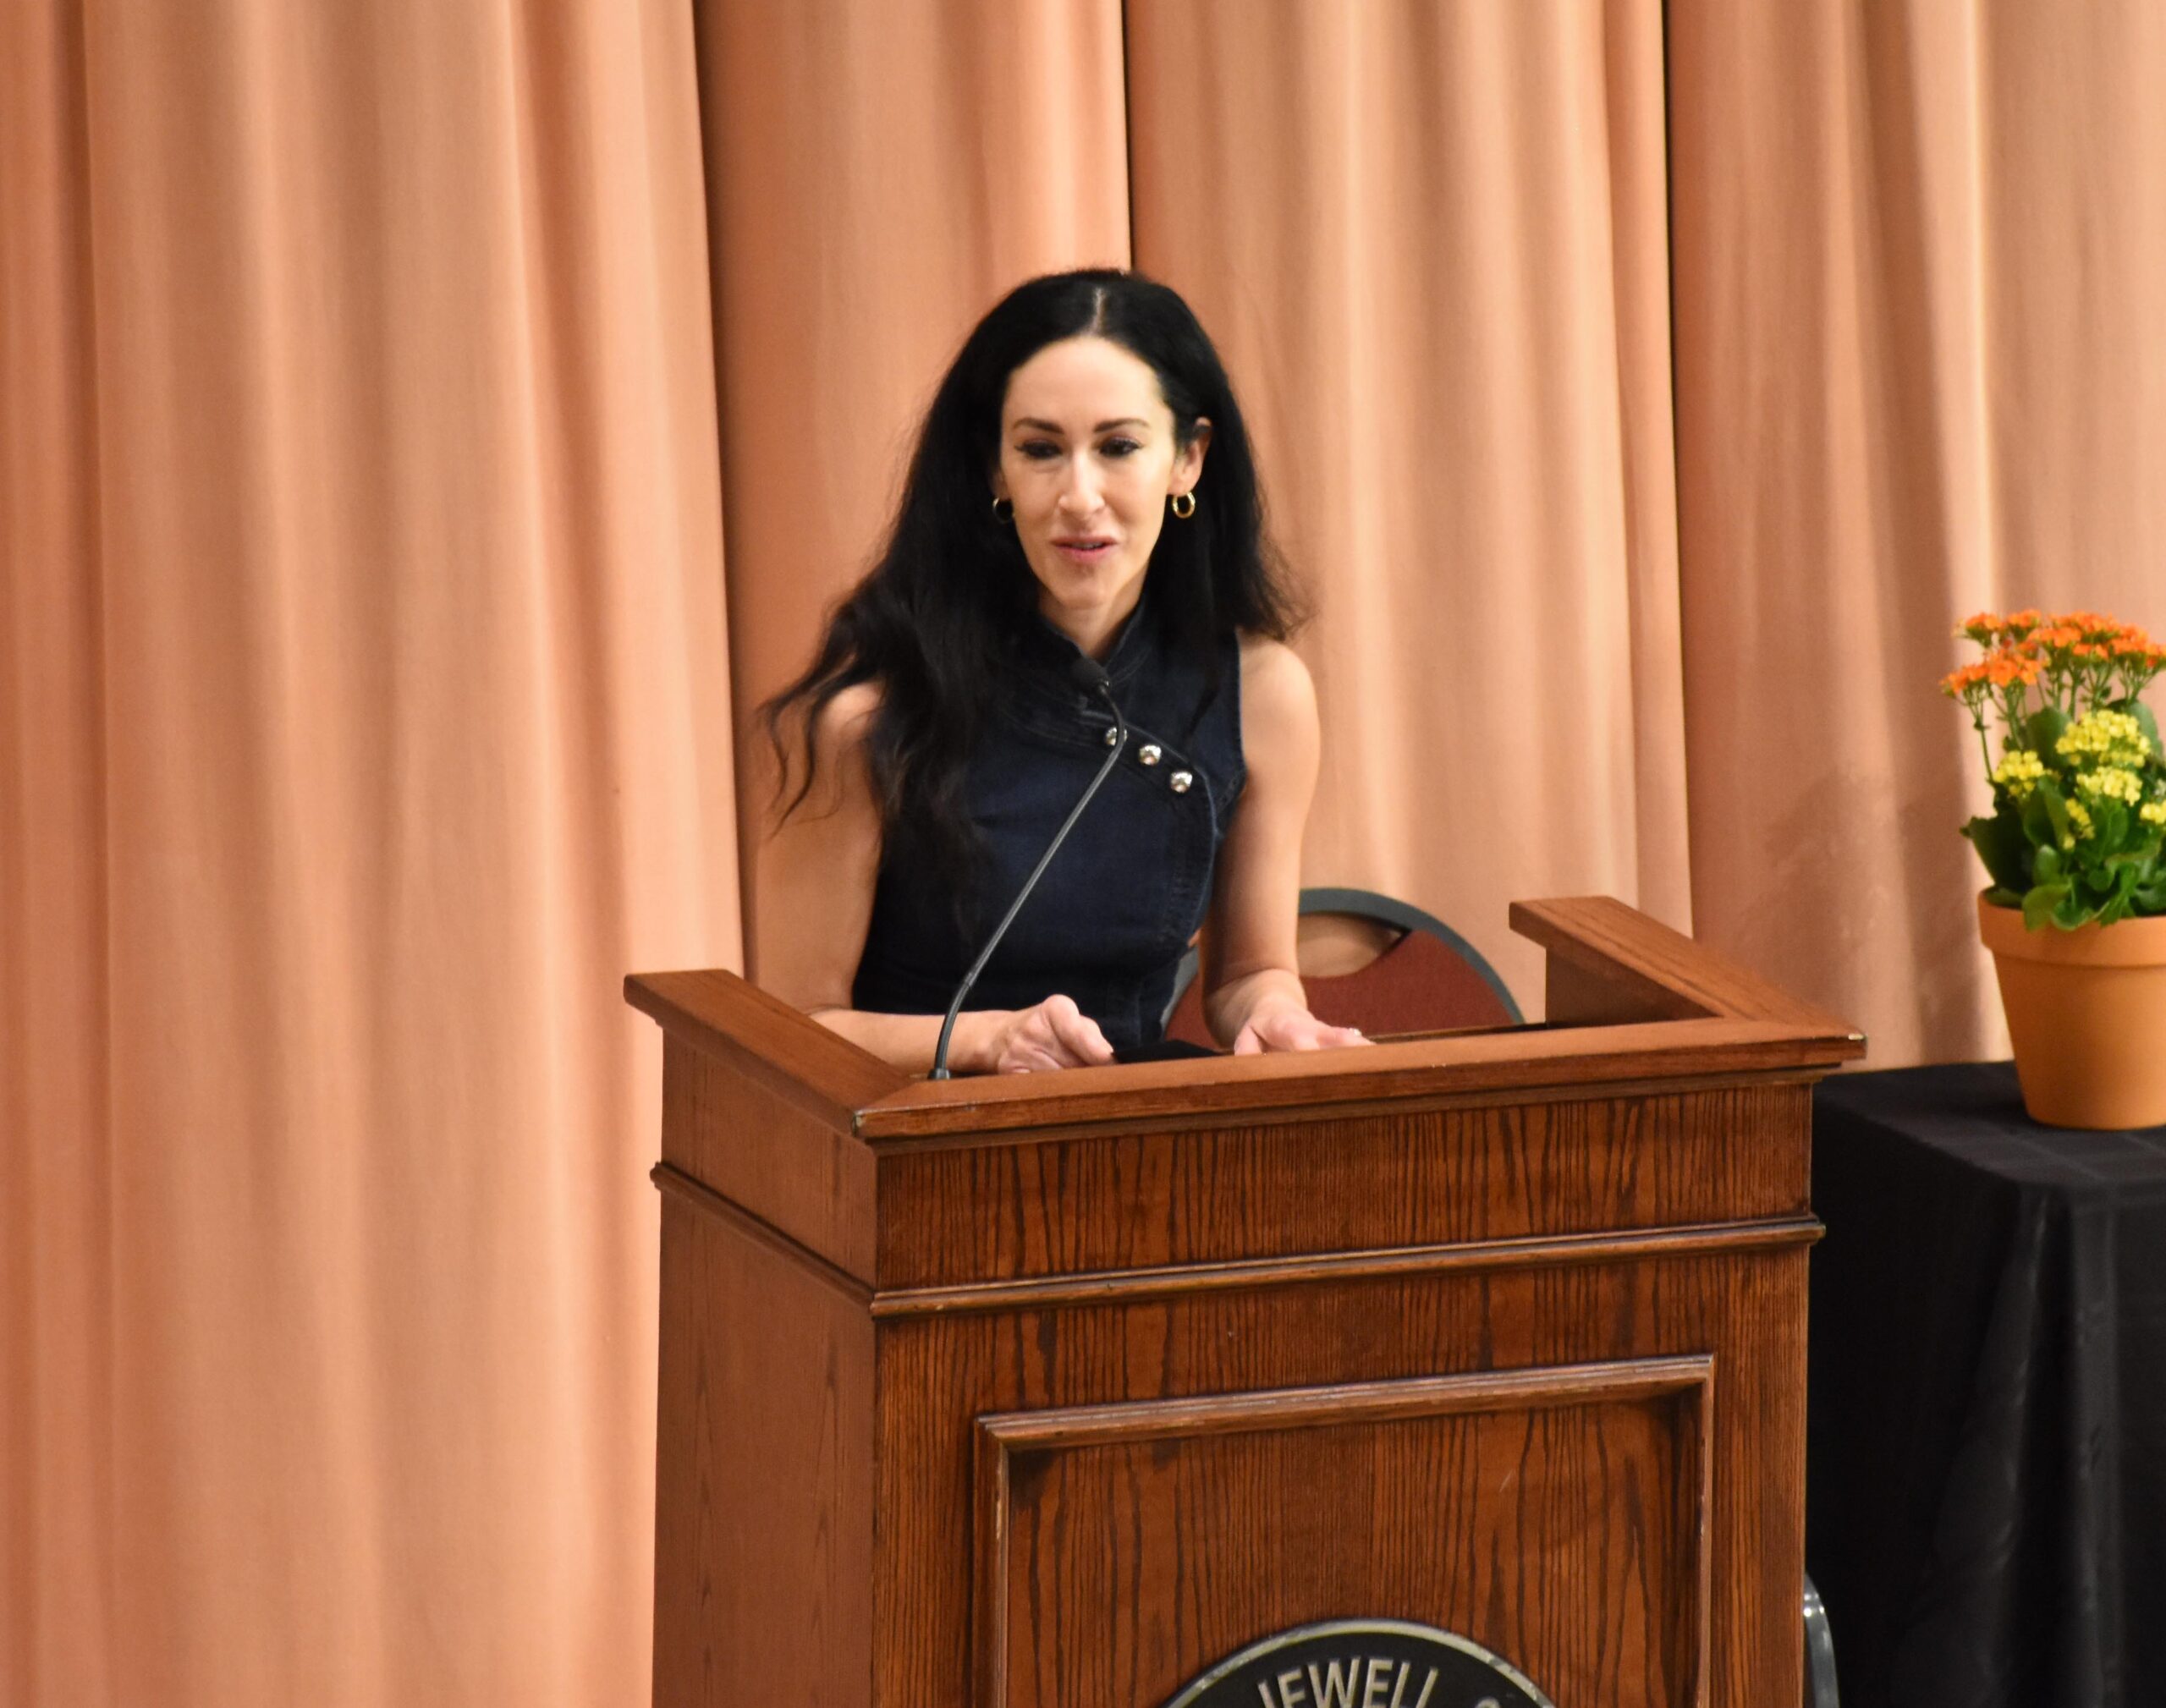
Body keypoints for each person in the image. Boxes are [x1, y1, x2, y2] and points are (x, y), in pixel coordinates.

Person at [757, 269, 1369, 1074]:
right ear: (992, 471)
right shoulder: (863, 721)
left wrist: (1278, 1014)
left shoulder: (1261, 692)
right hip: (915, 1152)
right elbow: (793, 1027)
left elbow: (1250, 974)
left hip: (1134, 1146)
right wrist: (985, 1038)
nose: (1080, 497)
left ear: (1189, 459)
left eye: (1119, 447)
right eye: (1041, 450)